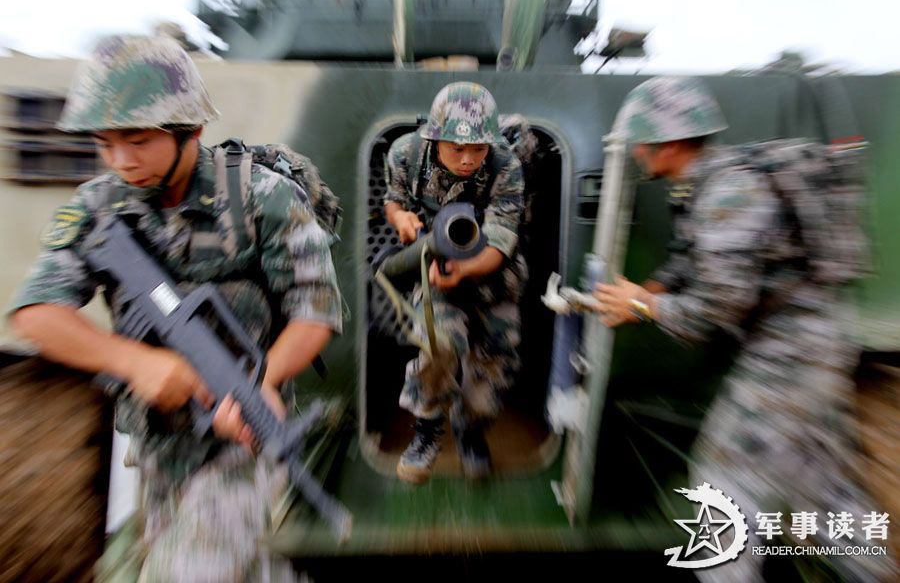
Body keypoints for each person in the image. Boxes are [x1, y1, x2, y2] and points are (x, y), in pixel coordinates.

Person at [8, 35, 342, 582]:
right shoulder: (99, 206)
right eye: (105, 143)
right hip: (159, 445)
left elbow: (316, 309)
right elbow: (36, 312)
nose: (121, 160)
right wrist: (135, 363)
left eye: (137, 140)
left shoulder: (263, 197)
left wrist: (263, 383)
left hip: (241, 435)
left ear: (191, 131)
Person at [593, 75, 896, 582]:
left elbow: (715, 311)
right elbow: (691, 261)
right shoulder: (704, 183)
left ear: (668, 143)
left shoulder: (730, 193)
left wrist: (643, 307)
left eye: (643, 143)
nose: (639, 154)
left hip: (791, 357)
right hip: (810, 349)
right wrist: (646, 292)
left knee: (722, 489)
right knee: (820, 492)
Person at [384, 82, 525, 483]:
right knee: (439, 348)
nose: (467, 160)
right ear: (436, 138)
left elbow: (500, 239)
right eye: (456, 148)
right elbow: (392, 199)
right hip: (434, 276)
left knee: (490, 377)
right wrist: (401, 220)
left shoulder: (506, 167)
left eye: (477, 150)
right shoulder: (406, 155)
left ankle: (470, 432)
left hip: (495, 281)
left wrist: (463, 271)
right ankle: (427, 431)